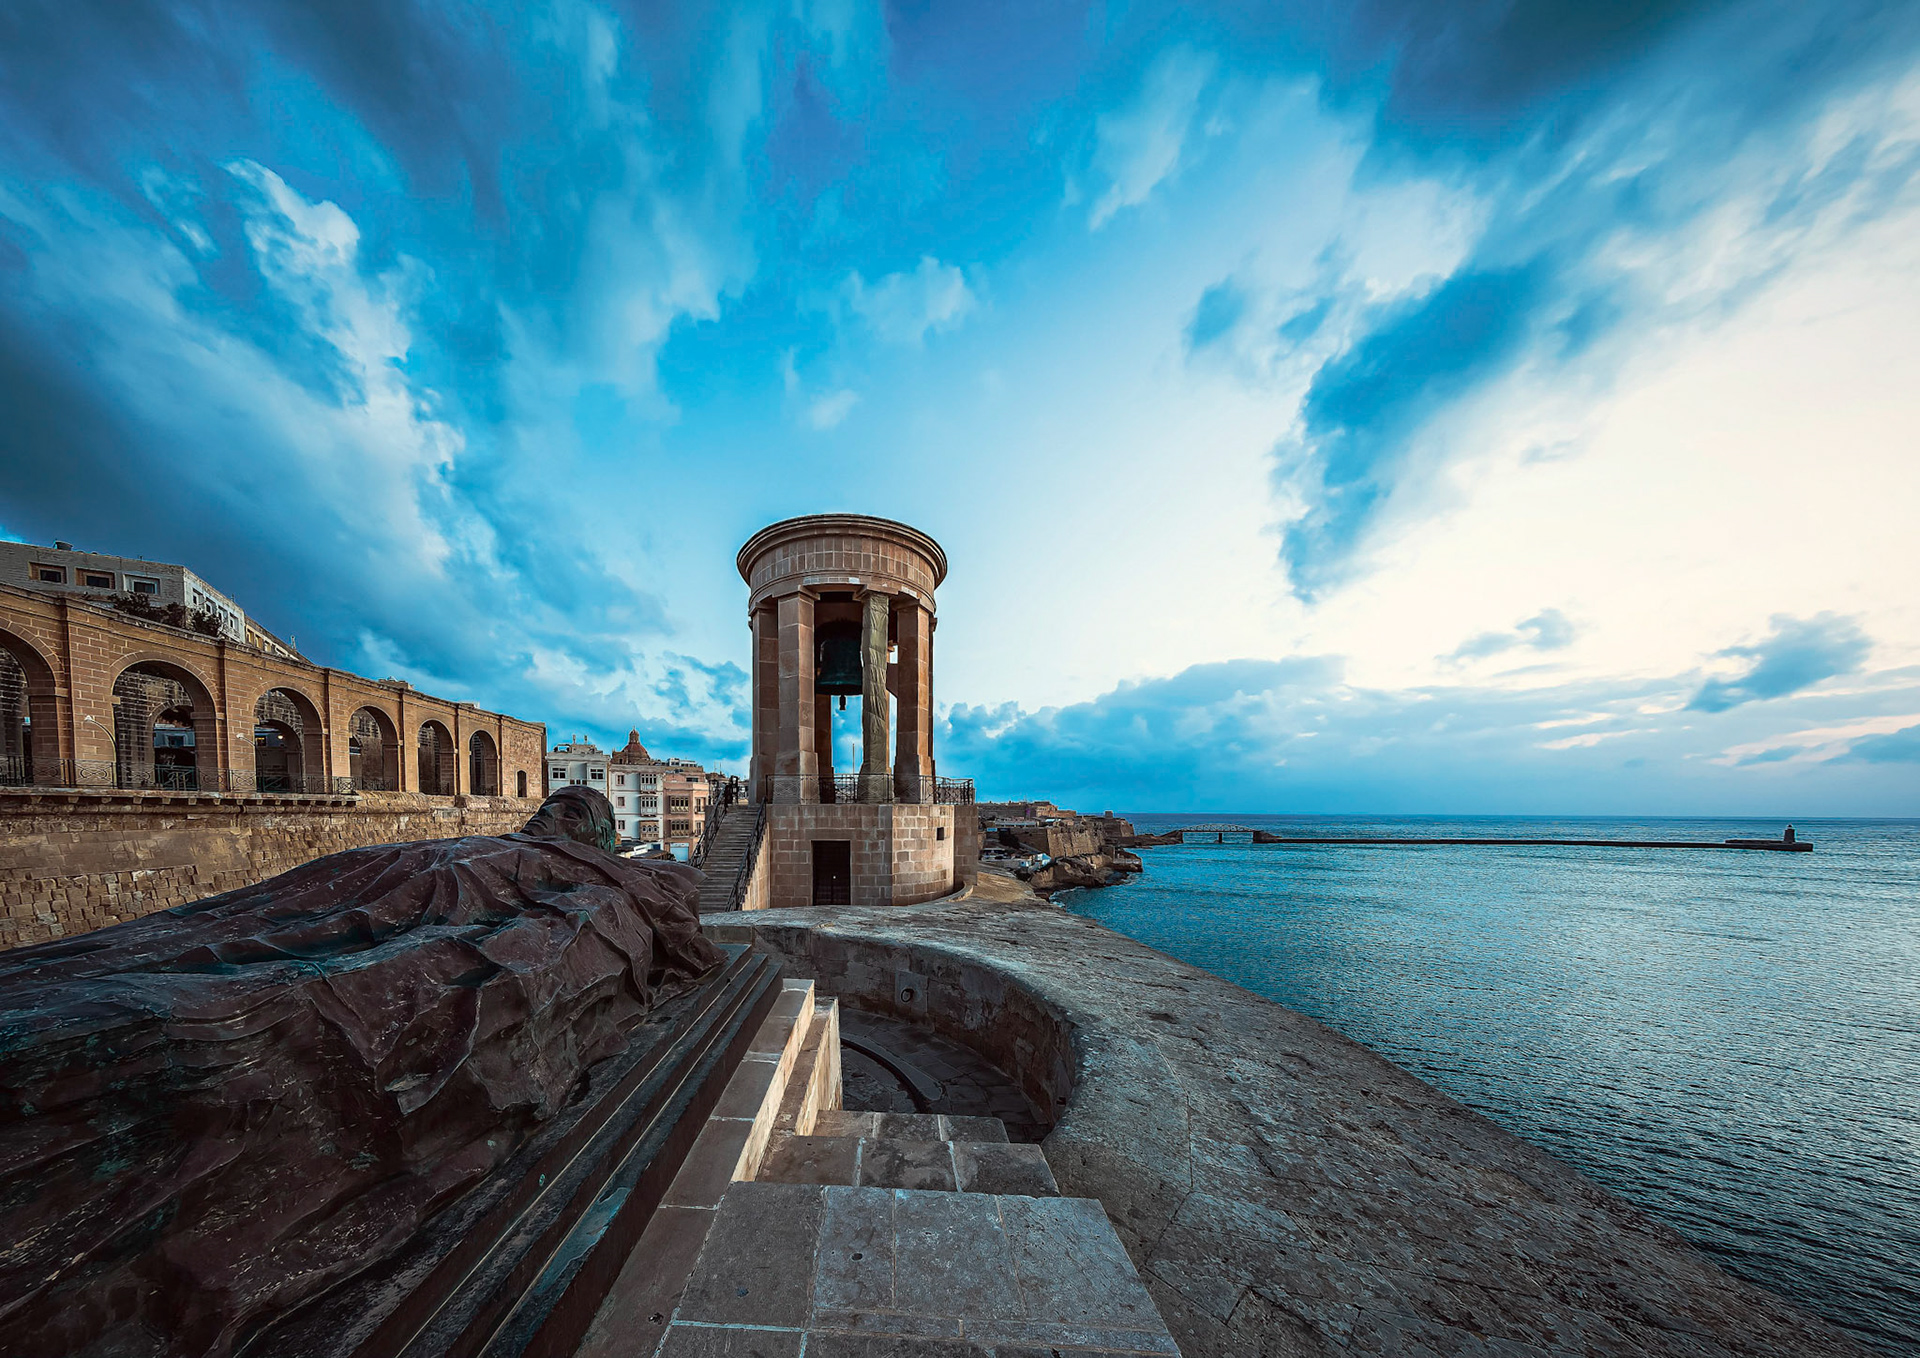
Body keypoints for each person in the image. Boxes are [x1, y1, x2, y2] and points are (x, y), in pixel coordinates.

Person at [0, 785, 722, 1358]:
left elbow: (657, 917)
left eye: (573, 811)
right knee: (239, 928)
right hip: (381, 881)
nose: (549, 814)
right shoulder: (485, 840)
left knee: (259, 985)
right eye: (551, 803)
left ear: (595, 839)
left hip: (450, 908)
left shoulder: (604, 877)